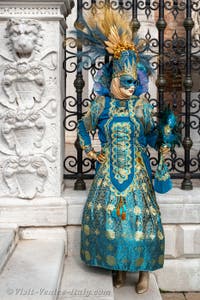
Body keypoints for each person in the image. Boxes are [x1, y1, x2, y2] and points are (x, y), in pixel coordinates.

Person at [76, 6, 170, 294]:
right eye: (126, 82)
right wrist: (92, 153)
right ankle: (116, 267)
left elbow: (152, 136)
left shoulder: (141, 107)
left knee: (141, 218)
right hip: (108, 173)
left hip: (137, 173)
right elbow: (82, 127)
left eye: (134, 82)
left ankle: (143, 273)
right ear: (114, 80)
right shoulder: (101, 106)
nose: (132, 88)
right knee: (112, 219)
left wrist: (164, 139)